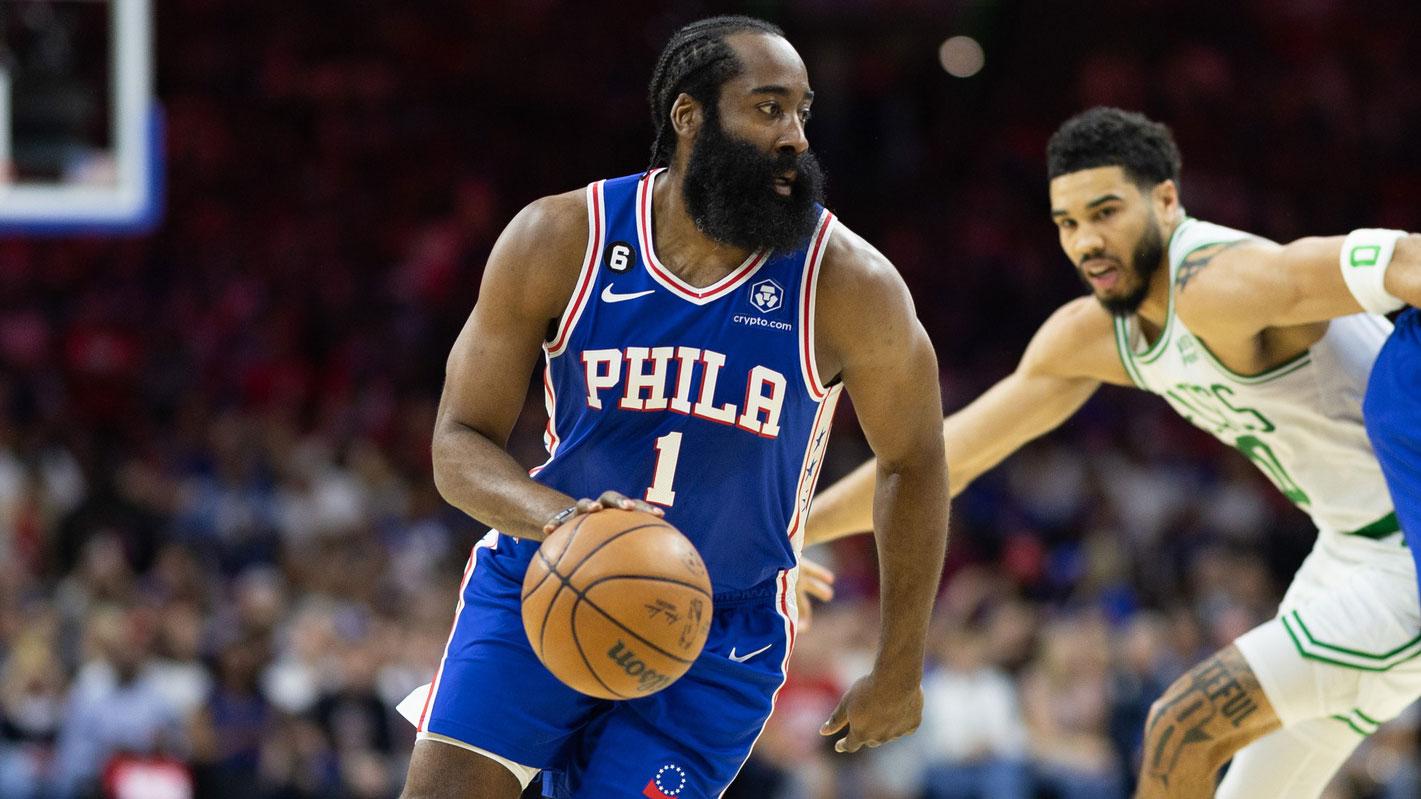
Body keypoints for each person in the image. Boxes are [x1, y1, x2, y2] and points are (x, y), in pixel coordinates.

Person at [396, 16, 951, 799]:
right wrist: (560, 520)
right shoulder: (561, 238)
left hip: (721, 632)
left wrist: (899, 665)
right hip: (545, 577)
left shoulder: (848, 282)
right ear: (690, 117)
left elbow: (914, 459)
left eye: (801, 111)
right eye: (767, 108)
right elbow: (457, 442)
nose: (794, 136)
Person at [805, 107, 1421, 798]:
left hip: (1406, 551)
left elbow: (1403, 259)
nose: (1086, 241)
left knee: (1180, 727)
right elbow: (944, 459)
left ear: (1165, 199)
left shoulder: (1221, 282)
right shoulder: (1093, 335)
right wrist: (792, 533)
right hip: (1345, 551)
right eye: (1067, 223)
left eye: (1105, 212)